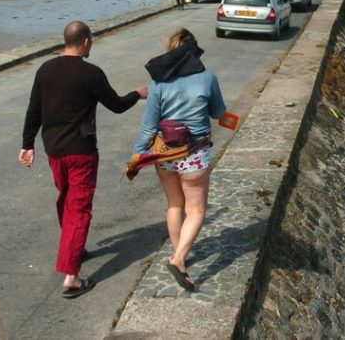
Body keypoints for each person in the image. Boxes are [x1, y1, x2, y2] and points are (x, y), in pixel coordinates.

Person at [20, 21, 148, 298]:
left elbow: (34, 108)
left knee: (66, 199)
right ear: (86, 41)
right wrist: (138, 94)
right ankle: (72, 277)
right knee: (79, 209)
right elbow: (116, 105)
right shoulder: (91, 74)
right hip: (81, 152)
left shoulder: (45, 69)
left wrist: (27, 144)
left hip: (54, 150)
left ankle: (73, 248)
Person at [132, 28, 226, 291]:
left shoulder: (158, 84)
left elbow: (148, 126)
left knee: (174, 205)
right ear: (194, 53)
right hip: (194, 154)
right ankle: (179, 258)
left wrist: (137, 157)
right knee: (196, 210)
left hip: (165, 154)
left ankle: (179, 256)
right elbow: (219, 113)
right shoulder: (207, 78)